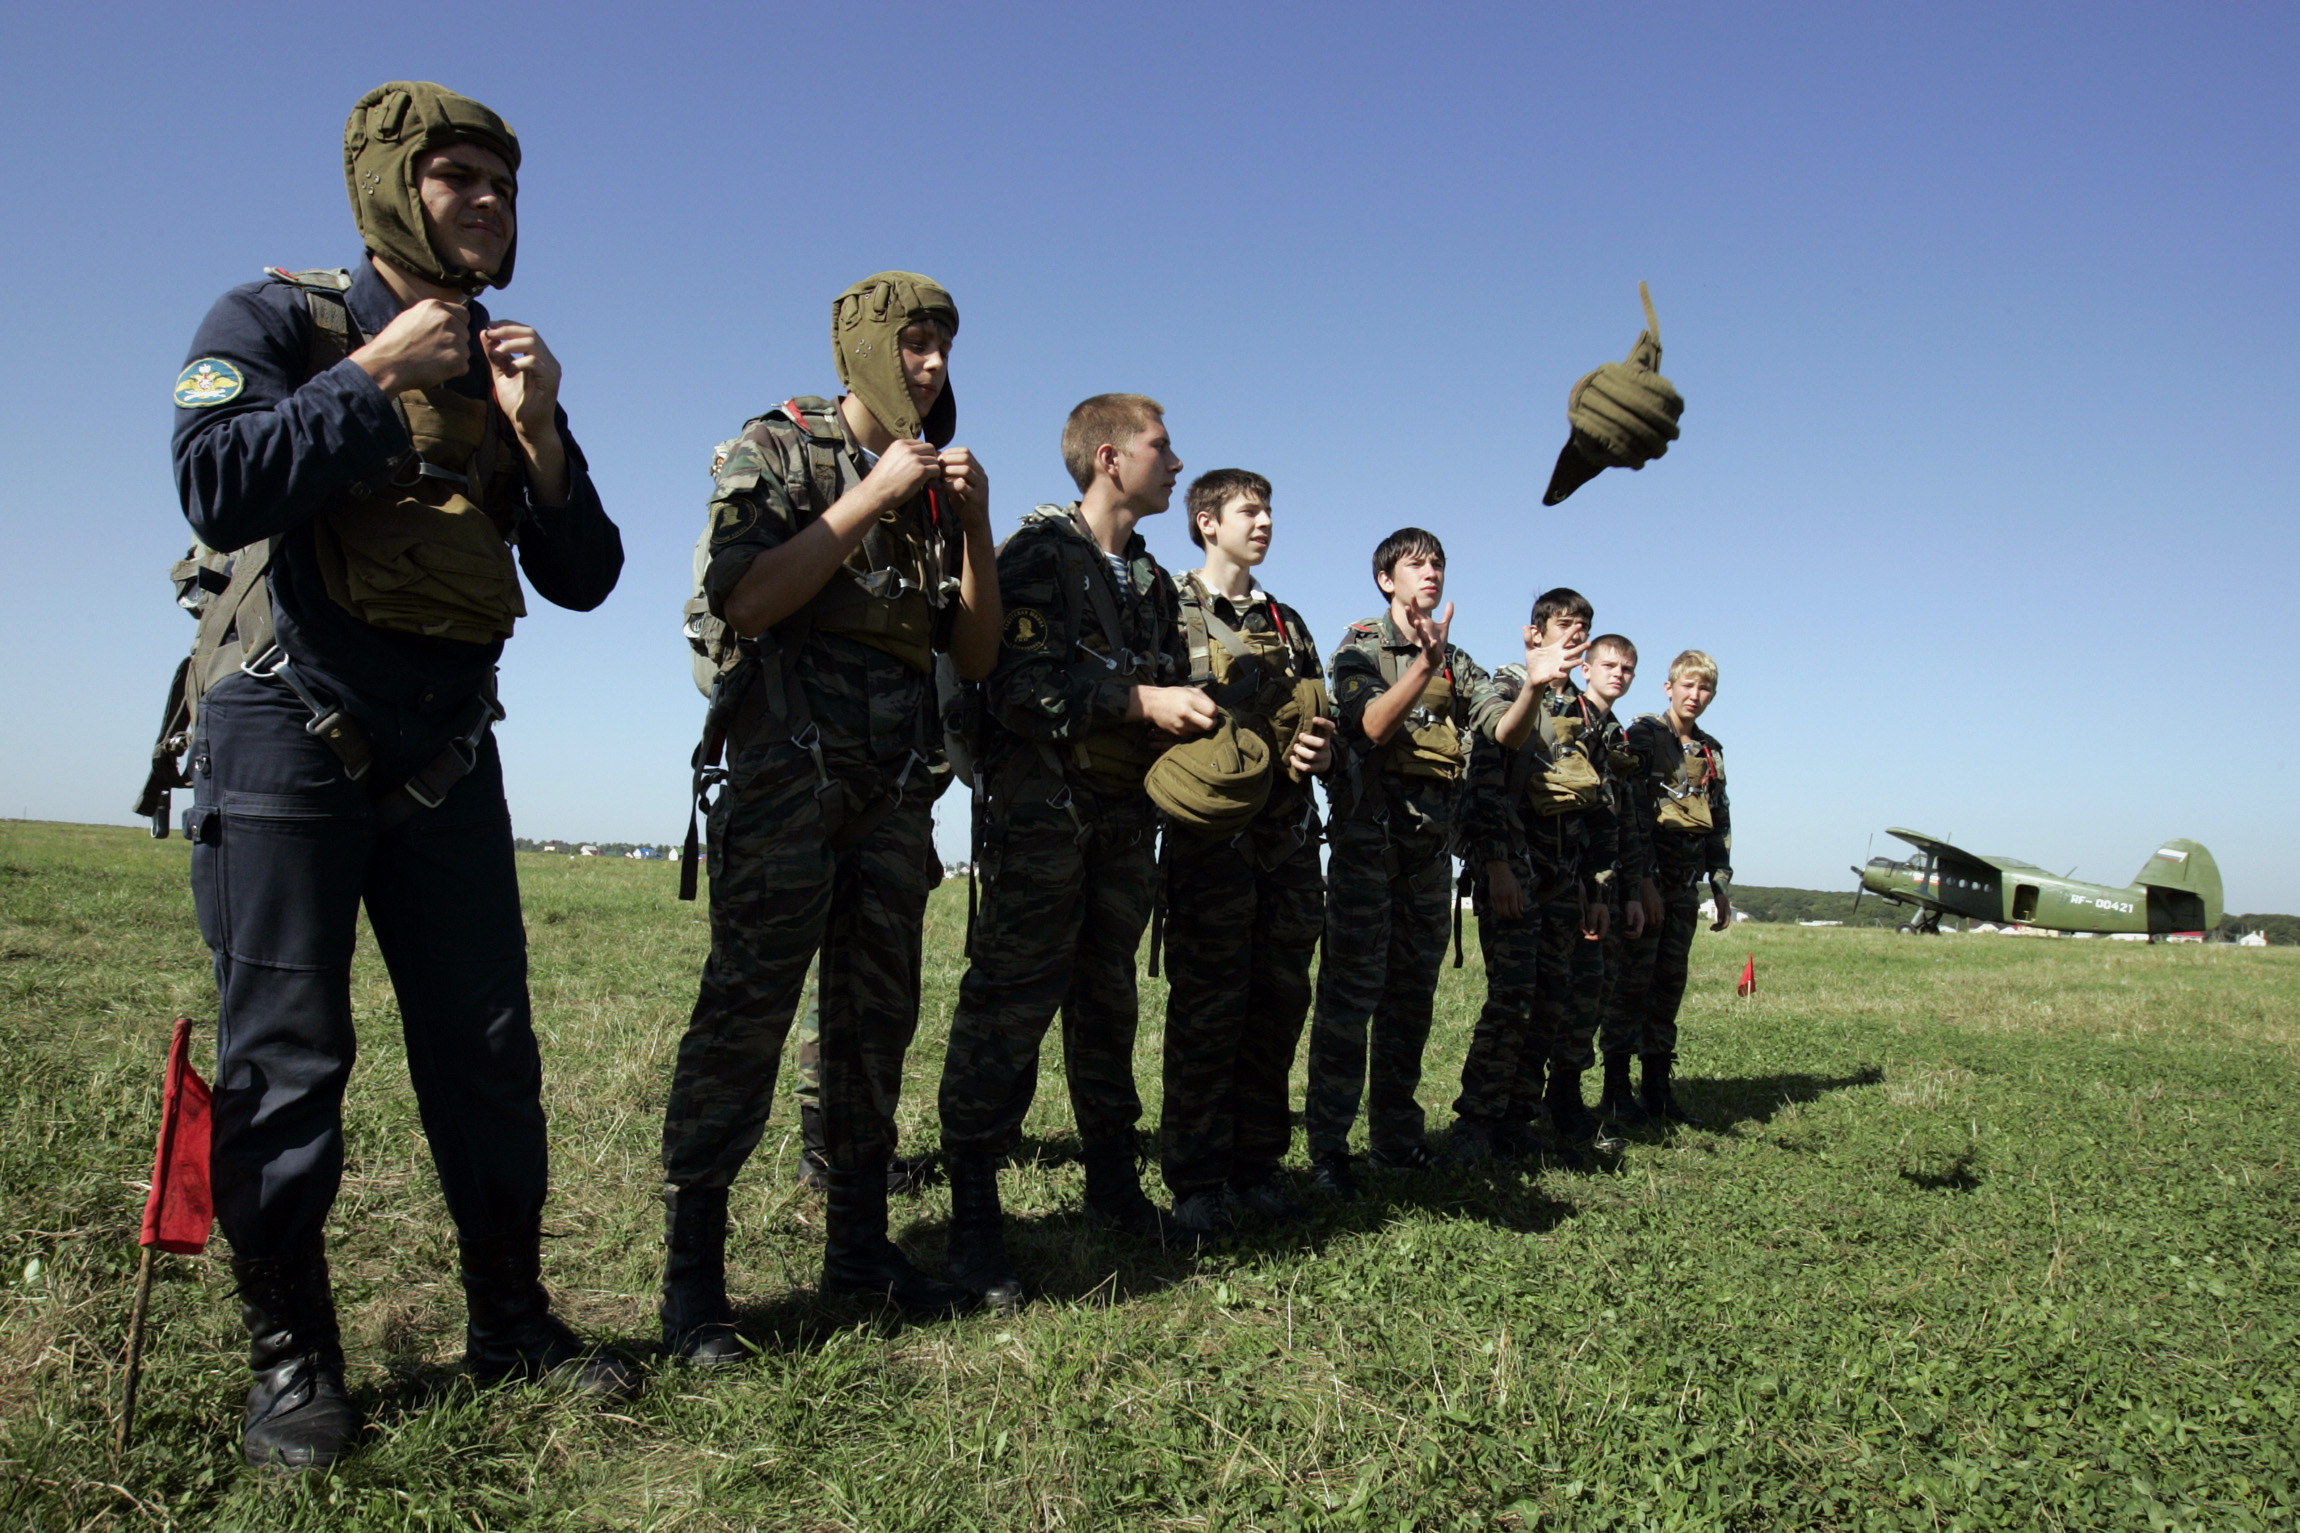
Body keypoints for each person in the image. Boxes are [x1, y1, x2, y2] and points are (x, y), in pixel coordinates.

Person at [166, 83, 627, 1469]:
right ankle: (294, 1362)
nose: (492, 200)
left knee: (489, 1054)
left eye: (506, 181)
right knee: (291, 1061)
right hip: (283, 730)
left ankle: (511, 1316)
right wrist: (376, 378)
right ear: (386, 186)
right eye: (458, 177)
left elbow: (587, 573)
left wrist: (537, 433)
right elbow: (217, 484)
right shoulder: (277, 321)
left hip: (446, 755)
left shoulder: (509, 365)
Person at [660, 273, 999, 1352]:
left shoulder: (942, 487)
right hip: (788, 772)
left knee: (873, 1019)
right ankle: (693, 1282)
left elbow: (975, 653)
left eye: (944, 347)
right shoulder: (779, 448)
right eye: (913, 346)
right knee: (747, 1014)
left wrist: (974, 527)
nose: (933, 366)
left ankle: (858, 1245)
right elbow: (746, 598)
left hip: (896, 790)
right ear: (860, 349)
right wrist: (868, 499)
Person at [937, 395, 1212, 1309]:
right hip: (1042, 819)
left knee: (1107, 1003)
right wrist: (1137, 703)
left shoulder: (1154, 582)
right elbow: (1011, 687)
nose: (1175, 464)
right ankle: (974, 1220)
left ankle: (1114, 1186)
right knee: (1006, 1009)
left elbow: (1170, 682)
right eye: (1160, 448)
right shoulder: (1036, 557)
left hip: (1124, 824)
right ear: (1109, 459)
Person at [1303, 533, 1581, 1200]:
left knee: (1409, 1005)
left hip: (1427, 859)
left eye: (1438, 564)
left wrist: (1534, 689)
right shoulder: (1360, 645)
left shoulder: (1459, 659)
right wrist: (1421, 669)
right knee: (1349, 1002)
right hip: (1369, 851)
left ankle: (1395, 1142)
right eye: (1416, 565)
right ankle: (1329, 1149)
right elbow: (1368, 725)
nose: (1430, 573)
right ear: (1385, 579)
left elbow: (1502, 731)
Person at [1155, 471, 1334, 1234]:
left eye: (1268, 511)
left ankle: (1257, 1167)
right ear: (1206, 522)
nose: (1263, 522)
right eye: (1247, 511)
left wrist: (1319, 747)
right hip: (1210, 843)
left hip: (1288, 841)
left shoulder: (1288, 622)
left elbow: (1322, 713)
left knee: (1278, 1006)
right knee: (1208, 1009)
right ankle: (1196, 1182)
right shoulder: (1167, 607)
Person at [1449, 592, 1626, 1162]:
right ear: (1536, 633)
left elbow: (1600, 804)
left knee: (1552, 998)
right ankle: (1477, 1121)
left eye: (1583, 628)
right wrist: (1496, 865)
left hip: (1564, 878)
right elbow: (1484, 776)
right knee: (1512, 998)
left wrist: (1597, 887)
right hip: (1514, 867)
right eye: (1564, 626)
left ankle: (1517, 1119)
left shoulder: (1585, 712)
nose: (1575, 635)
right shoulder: (1505, 685)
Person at [1611, 650, 1732, 1124]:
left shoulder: (1710, 750)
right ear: (1669, 687)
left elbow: (1719, 818)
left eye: (1704, 689)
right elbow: (1632, 810)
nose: (1694, 696)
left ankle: (1658, 1090)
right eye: (1687, 686)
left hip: (1684, 889)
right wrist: (1642, 881)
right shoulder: (1645, 736)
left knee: (1667, 990)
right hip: (1648, 885)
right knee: (1630, 987)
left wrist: (1719, 883)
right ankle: (1616, 1091)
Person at [1573, 636, 1662, 1125]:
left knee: (1602, 992)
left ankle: (1597, 1093)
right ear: (1586, 669)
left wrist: (1634, 887)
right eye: (1609, 665)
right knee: (1569, 999)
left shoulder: (1618, 736)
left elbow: (1628, 822)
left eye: (1627, 668)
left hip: (1612, 883)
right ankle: (1550, 1101)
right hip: (1572, 878)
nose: (1619, 674)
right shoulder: (1571, 718)